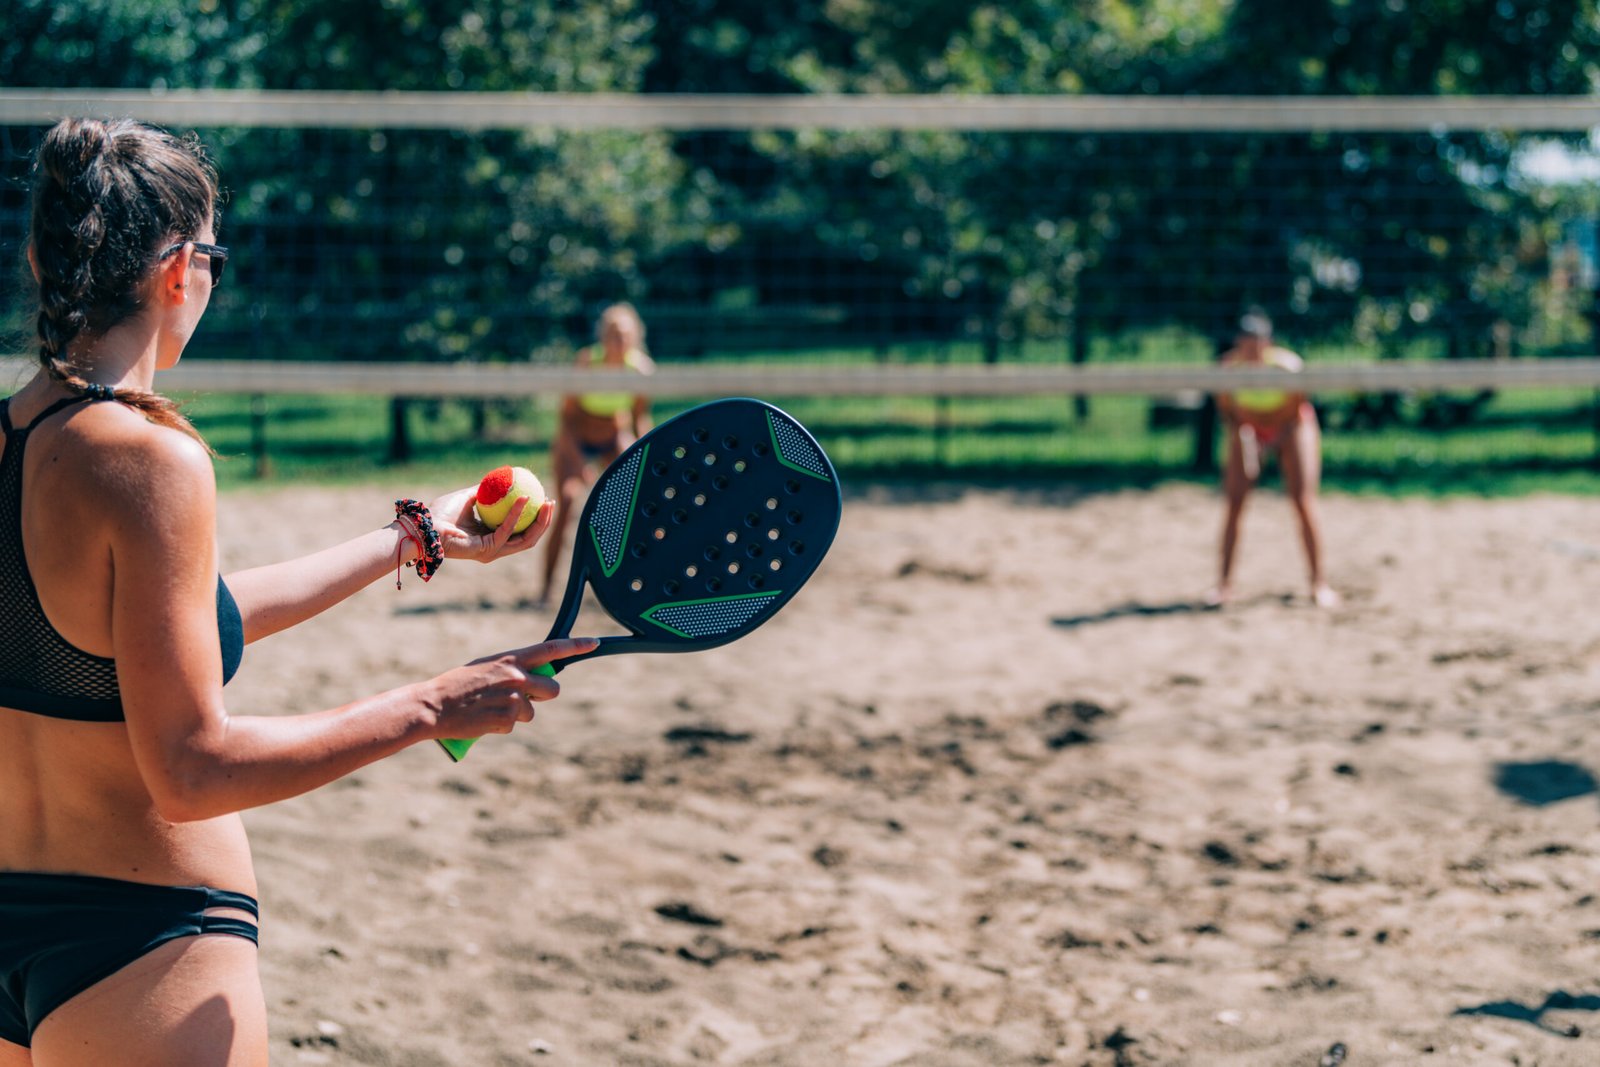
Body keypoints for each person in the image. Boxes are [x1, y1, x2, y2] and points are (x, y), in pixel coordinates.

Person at [0, 117, 596, 1066]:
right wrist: (432, 703)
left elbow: (132, 630)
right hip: (138, 938)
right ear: (176, 270)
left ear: (41, 257)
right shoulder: (149, 458)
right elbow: (193, 770)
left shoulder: (18, 441)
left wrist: (412, 541)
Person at [1208, 310, 1339, 609]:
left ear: (1267, 343)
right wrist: (1248, 441)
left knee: (1302, 500)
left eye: (1256, 342)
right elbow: (1229, 413)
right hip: (1249, 428)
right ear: (1239, 343)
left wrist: (1275, 441)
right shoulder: (1229, 370)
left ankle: (1319, 584)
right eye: (1245, 342)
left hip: (1291, 426)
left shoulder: (1287, 367)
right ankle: (1224, 586)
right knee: (1234, 502)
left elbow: (1295, 410)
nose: (1251, 349)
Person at [537, 303, 654, 606]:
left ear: (635, 337)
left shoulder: (640, 370)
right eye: (612, 334)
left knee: (632, 507)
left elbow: (639, 418)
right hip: (576, 436)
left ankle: (623, 588)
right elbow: (566, 418)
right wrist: (577, 462)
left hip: (613, 435)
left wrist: (649, 457)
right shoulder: (587, 362)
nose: (618, 340)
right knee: (568, 500)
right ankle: (546, 591)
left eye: (624, 335)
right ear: (602, 336)